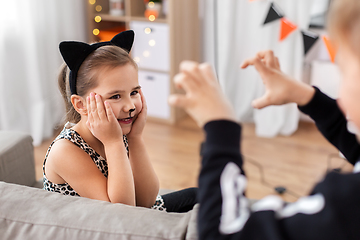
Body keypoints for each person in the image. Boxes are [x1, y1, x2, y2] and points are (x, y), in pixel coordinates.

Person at [168, 0, 360, 238]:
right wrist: (305, 96)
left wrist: (220, 126)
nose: (340, 91)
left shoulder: (346, 204)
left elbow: (221, 234)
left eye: (344, 71)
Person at [43, 30, 197, 213]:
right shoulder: (66, 150)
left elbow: (146, 201)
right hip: (104, 227)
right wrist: (114, 143)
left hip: (136, 215)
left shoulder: (115, 129)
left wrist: (135, 139)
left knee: (202, 195)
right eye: (116, 96)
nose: (130, 106)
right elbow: (123, 214)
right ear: (81, 104)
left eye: (133, 92)